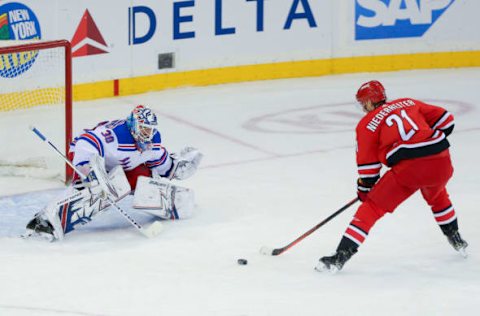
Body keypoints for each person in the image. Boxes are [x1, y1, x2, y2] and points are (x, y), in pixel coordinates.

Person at [316, 80, 468, 273]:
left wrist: (365, 189)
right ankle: (456, 238)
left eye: (363, 103)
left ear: (370, 102)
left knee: (371, 208)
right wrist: (426, 142)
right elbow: (447, 121)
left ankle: (340, 257)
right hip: (441, 161)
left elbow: (368, 168)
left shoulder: (366, 124)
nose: (363, 108)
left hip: (409, 169)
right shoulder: (409, 102)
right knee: (438, 196)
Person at [24, 105, 202, 241]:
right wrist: (88, 169)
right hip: (86, 154)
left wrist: (180, 168)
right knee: (97, 189)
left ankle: (172, 202)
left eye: (151, 129)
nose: (148, 134)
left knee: (142, 179)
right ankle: (47, 221)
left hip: (117, 166)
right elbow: (86, 141)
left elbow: (165, 167)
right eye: (144, 128)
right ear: (133, 125)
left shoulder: (152, 143)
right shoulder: (116, 136)